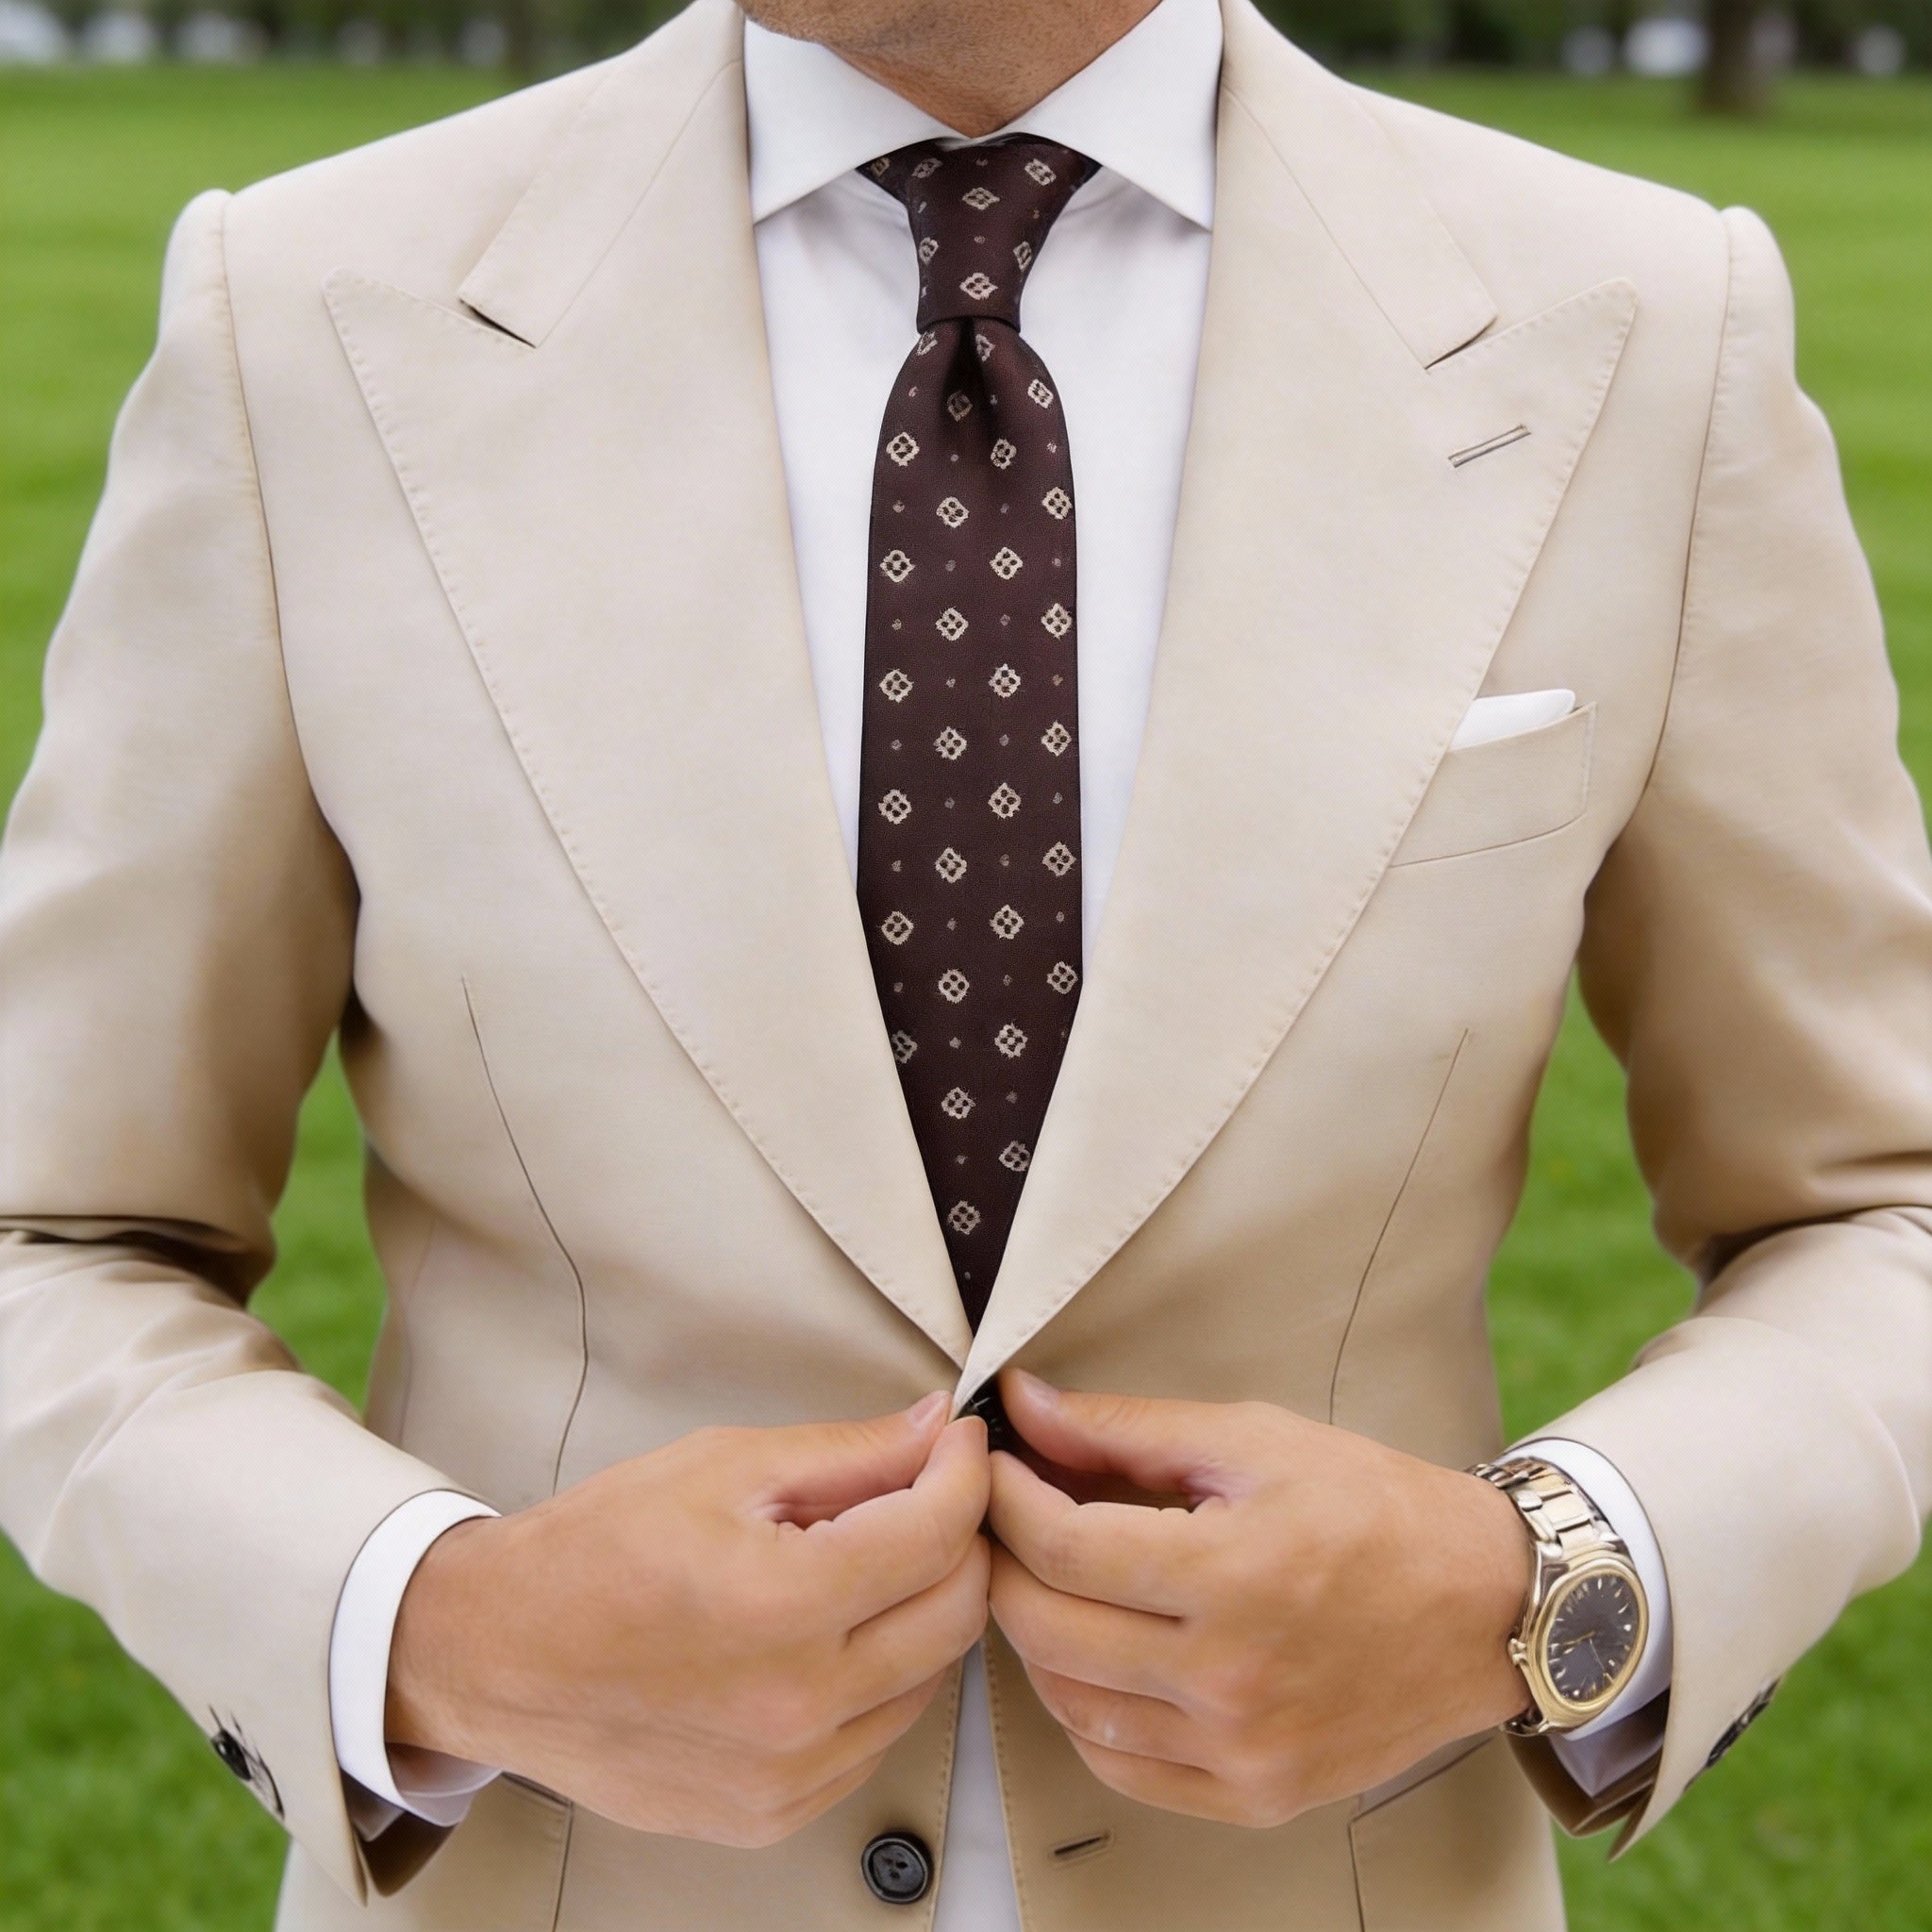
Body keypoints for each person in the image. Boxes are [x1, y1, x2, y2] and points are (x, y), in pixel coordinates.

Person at [2, 0, 1928, 1924]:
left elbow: (1877, 1204)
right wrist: (438, 1625)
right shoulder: (308, 312)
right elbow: (57, 1230)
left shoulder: (1644, 325)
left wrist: (1537, 1586)